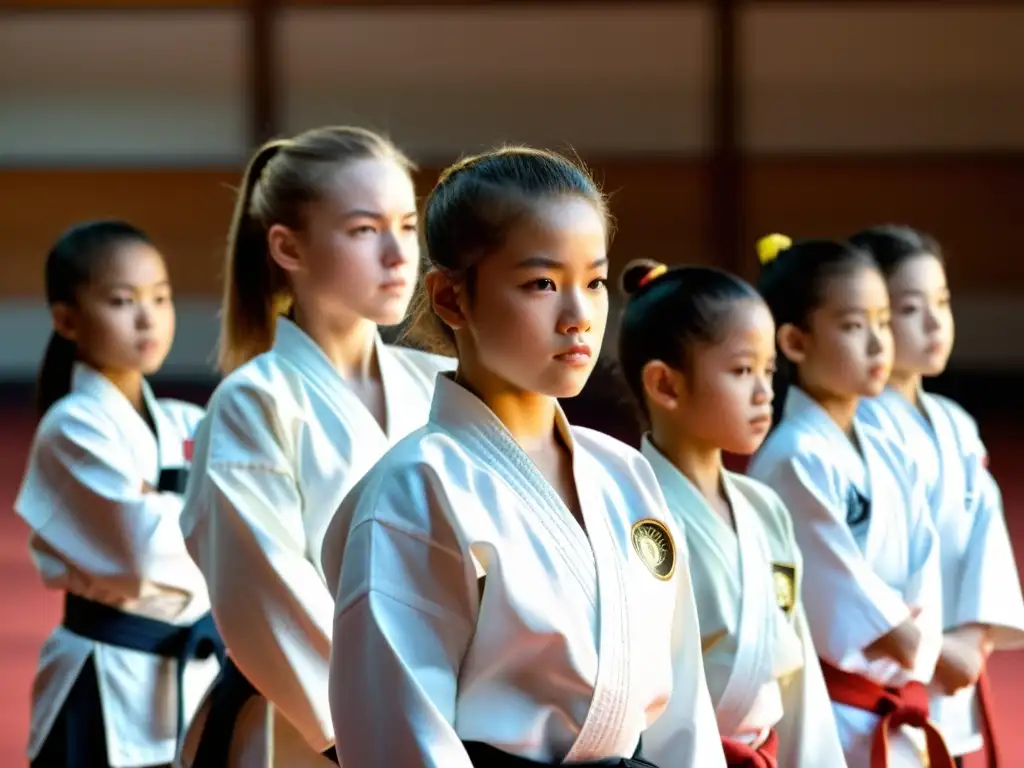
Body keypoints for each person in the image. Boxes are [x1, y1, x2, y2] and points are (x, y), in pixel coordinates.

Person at [320, 146, 726, 767]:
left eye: (592, 281)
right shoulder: (418, 486)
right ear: (453, 299)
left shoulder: (623, 474)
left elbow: (685, 712)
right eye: (542, 284)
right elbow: (400, 734)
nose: (579, 317)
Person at [176, 126, 454, 767]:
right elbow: (266, 597)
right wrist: (383, 732)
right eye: (364, 230)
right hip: (311, 729)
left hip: (456, 720)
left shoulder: (442, 384)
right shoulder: (254, 403)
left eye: (408, 226)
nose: (398, 255)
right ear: (288, 247)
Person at [616, 258, 846, 766]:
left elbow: (798, 674)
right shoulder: (633, 514)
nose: (765, 393)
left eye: (769, 370)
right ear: (665, 385)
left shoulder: (764, 508)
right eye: (743, 371)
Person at [16, 220, 221, 768]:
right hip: (102, 680)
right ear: (66, 319)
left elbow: (262, 522)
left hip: (197, 677)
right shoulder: (73, 427)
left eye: (161, 297)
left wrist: (165, 505)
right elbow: (144, 551)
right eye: (122, 300)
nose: (147, 317)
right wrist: (212, 522)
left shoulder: (189, 421)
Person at [746, 235, 952, 768]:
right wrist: (911, 642)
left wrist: (919, 638)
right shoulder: (793, 457)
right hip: (831, 708)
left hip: (897, 686)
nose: (879, 344)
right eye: (855, 326)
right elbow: (836, 593)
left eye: (884, 322)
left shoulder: (886, 445)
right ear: (794, 341)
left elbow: (925, 556)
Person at [852, 225, 1024, 767]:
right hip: (887, 670)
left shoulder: (957, 425)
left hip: (958, 657)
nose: (934, 323)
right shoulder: (855, 430)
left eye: (942, 303)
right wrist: (931, 652)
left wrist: (972, 641)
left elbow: (986, 540)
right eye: (909, 309)